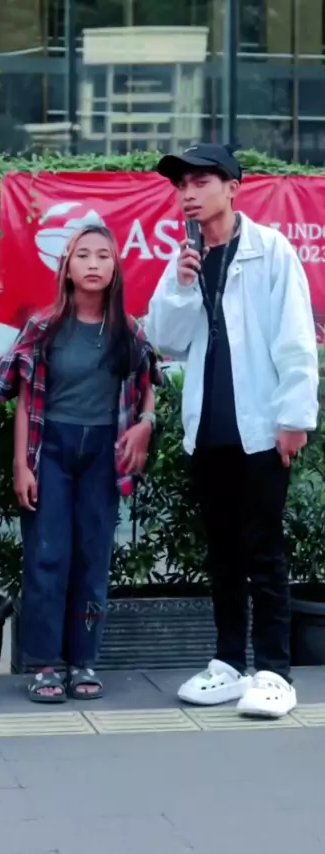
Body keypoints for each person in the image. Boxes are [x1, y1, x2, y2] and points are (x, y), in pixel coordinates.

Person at [144, 143, 319, 719]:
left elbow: (295, 337)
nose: (188, 194)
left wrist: (294, 419)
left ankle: (273, 671)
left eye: (200, 182)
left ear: (232, 188)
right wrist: (179, 283)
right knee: (221, 552)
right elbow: (165, 339)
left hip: (262, 429)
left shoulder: (271, 250)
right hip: (208, 431)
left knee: (263, 552)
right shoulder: (186, 257)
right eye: (182, 185)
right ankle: (227, 663)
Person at [0, 224, 160, 703]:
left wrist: (145, 423)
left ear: (116, 267)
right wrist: (21, 465)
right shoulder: (44, 328)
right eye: (83, 255)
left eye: (103, 255)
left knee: (92, 558)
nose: (94, 264)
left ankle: (83, 660)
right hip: (51, 450)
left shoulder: (129, 330)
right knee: (48, 556)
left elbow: (148, 384)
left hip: (104, 452)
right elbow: (24, 401)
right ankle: (44, 664)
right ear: (66, 267)